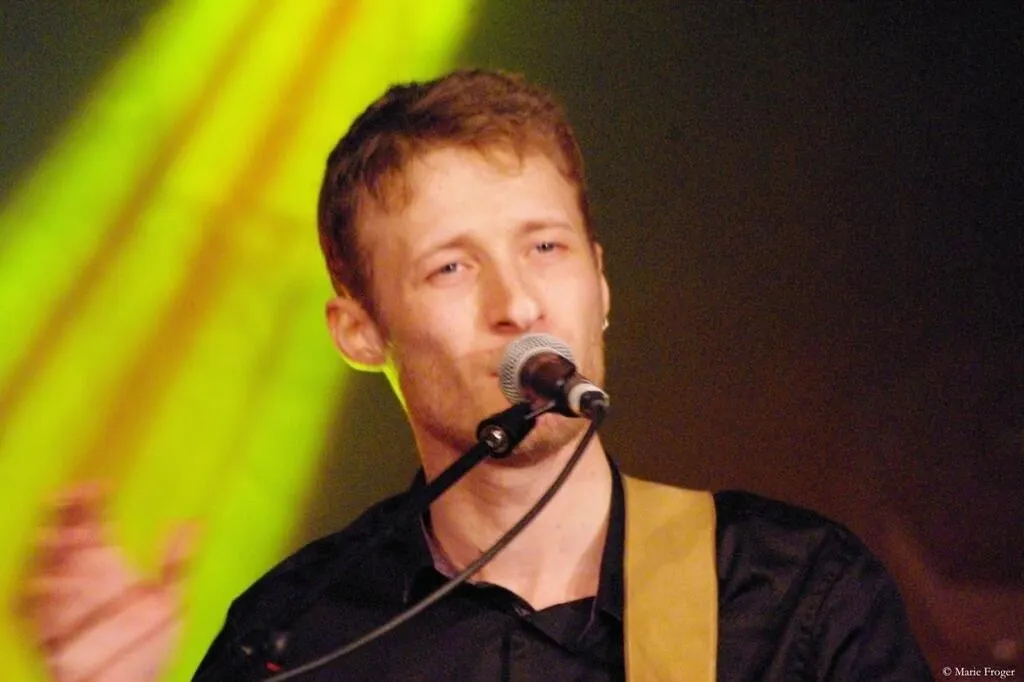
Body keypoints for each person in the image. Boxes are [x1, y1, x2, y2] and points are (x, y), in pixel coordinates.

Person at [22, 69, 933, 681]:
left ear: (601, 284)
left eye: (546, 247)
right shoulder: (292, 639)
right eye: (451, 266)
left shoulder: (798, 594)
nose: (519, 302)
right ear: (359, 332)